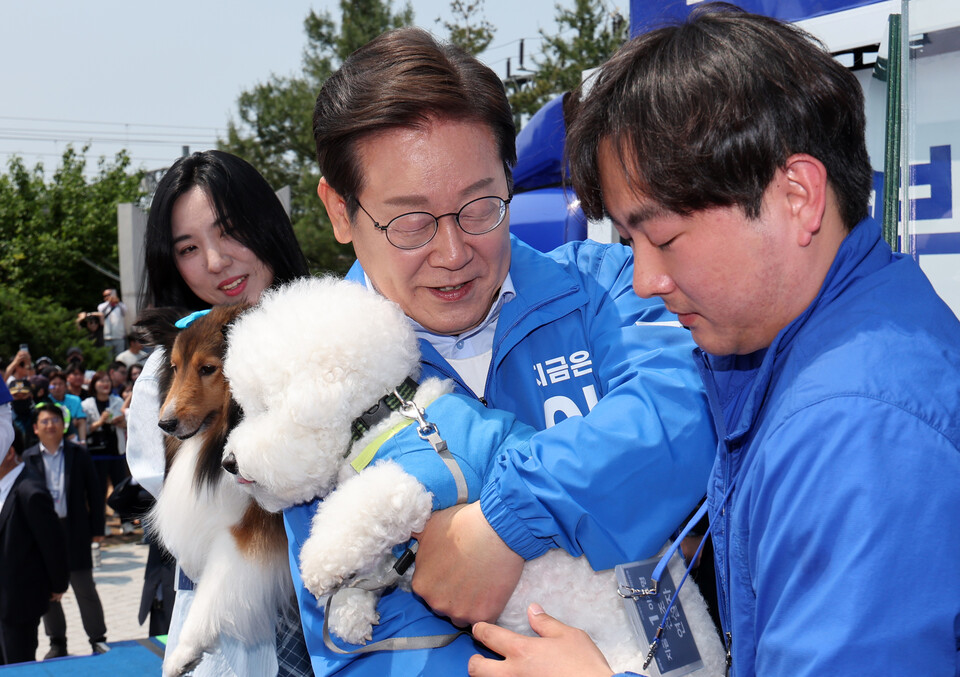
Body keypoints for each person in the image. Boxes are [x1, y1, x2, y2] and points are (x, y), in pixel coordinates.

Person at [468, 4, 960, 676]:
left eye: (664, 237)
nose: (644, 280)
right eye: (630, 241)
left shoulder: (855, 431)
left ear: (797, 196)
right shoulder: (819, 352)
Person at [284, 26, 716, 676]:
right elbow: (367, 643)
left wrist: (511, 515)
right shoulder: (311, 390)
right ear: (340, 212)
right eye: (410, 222)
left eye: (481, 206)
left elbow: (689, 412)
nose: (454, 253)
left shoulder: (606, 286)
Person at [126, 149, 312, 677]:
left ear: (267, 225)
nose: (215, 261)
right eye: (188, 247)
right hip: (233, 641)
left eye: (229, 231)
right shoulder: (165, 378)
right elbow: (190, 534)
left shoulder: (333, 333)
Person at [23, 403, 108, 659]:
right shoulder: (27, 459)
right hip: (42, 534)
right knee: (49, 590)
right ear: (36, 428)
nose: (50, 425)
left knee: (84, 587)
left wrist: (97, 528)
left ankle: (98, 639)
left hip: (74, 528)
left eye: (55, 420)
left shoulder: (78, 454)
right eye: (44, 421)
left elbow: (94, 492)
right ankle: (57, 642)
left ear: (63, 425)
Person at [0, 427, 70, 665]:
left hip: (18, 602)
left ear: (9, 452)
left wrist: (57, 583)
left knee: (17, 664)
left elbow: (52, 542)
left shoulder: (30, 490)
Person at [82, 371, 128, 533]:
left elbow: (128, 424)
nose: (105, 383)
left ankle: (126, 522)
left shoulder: (117, 401)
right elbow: (84, 429)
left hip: (117, 452)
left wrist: (120, 422)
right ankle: (101, 525)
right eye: (100, 381)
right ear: (94, 385)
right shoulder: (86, 404)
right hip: (96, 454)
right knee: (98, 491)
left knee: (122, 488)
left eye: (107, 380)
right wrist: (100, 421)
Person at [48, 370, 88, 446]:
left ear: (66, 386)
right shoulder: (46, 401)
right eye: (54, 384)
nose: (57, 387)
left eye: (60, 384)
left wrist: (83, 442)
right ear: (49, 386)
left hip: (73, 436)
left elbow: (81, 420)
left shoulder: (75, 400)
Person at [98, 289, 128, 359]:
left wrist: (117, 302)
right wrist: (109, 302)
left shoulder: (121, 305)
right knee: (109, 359)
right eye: (106, 295)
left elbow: (124, 312)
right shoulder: (102, 306)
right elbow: (101, 311)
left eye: (109, 294)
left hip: (119, 337)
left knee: (120, 358)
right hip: (107, 338)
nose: (108, 296)